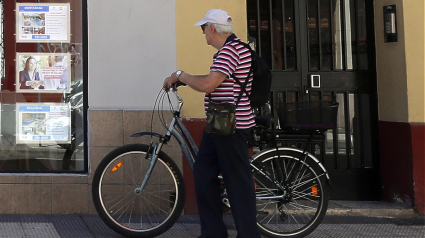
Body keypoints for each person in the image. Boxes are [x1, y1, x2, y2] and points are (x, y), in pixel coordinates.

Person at [163, 9, 261, 238]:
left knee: (237, 182)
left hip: (231, 126)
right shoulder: (230, 50)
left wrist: (180, 75)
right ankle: (213, 232)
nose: (203, 33)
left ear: (212, 29)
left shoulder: (230, 51)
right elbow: (214, 83)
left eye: (203, 28)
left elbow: (209, 85)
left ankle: (248, 234)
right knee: (203, 174)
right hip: (218, 123)